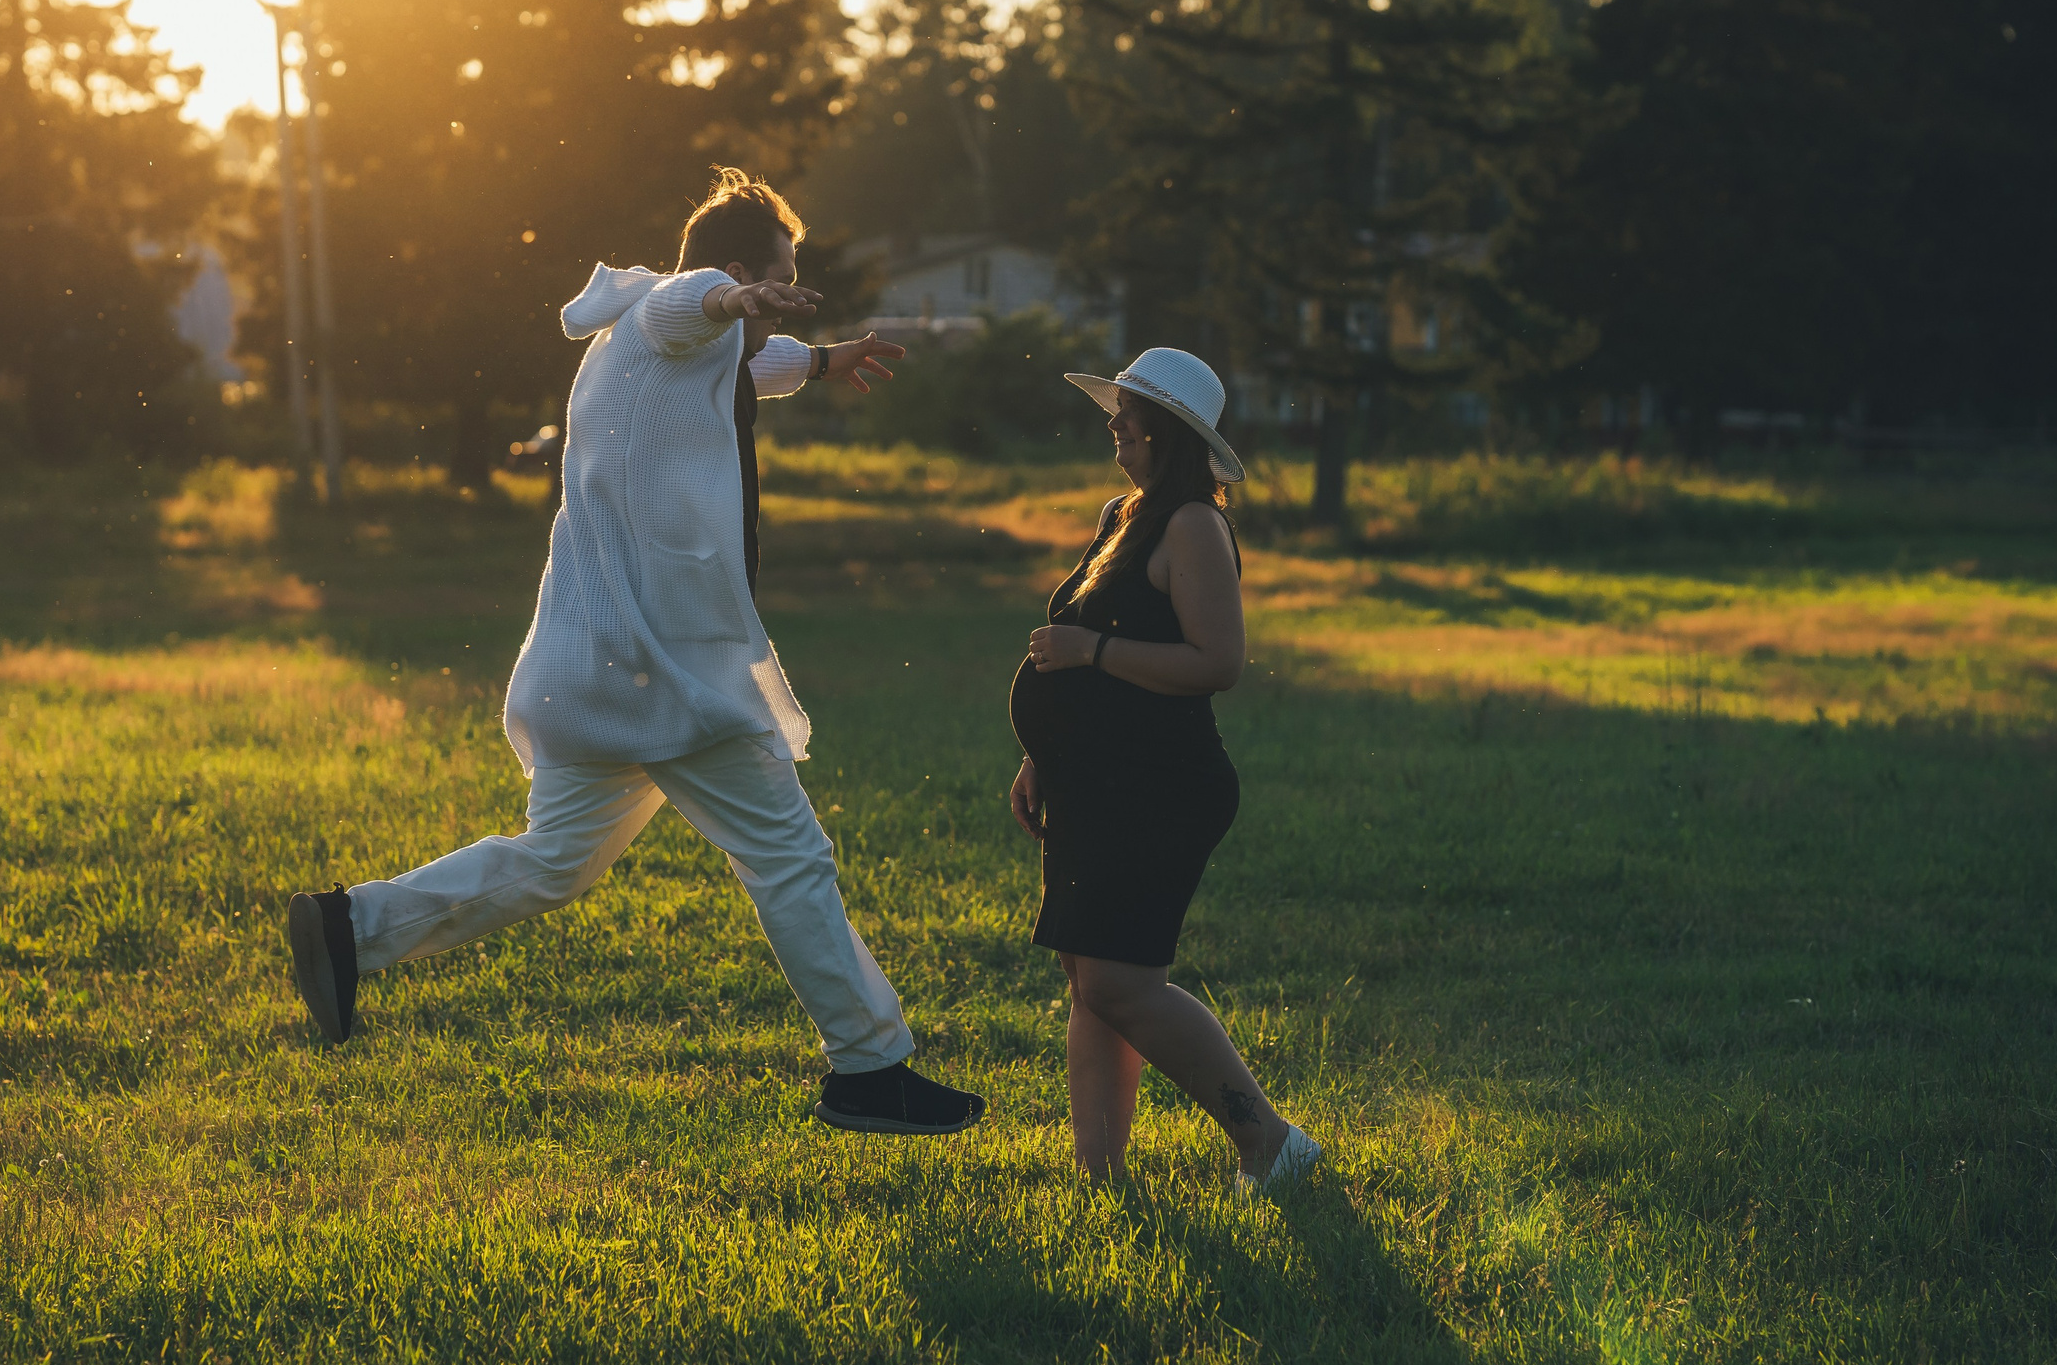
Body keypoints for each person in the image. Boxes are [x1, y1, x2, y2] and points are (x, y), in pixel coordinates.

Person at [286, 168, 985, 1137]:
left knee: (554, 864)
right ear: (740, 271)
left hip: (593, 673)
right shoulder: (666, 311)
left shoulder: (651, 354)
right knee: (789, 858)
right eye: (779, 275)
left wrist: (817, 359)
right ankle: (870, 1069)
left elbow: (741, 365)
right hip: (665, 681)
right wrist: (732, 295)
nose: (779, 293)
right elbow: (690, 304)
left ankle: (349, 928)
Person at [1008, 348, 1322, 1190]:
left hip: (1160, 786)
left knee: (1120, 979)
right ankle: (1100, 1180)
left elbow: (1216, 660)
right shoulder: (1123, 514)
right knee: (1090, 978)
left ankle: (1270, 1140)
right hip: (1092, 783)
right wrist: (1042, 753)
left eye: (1128, 412)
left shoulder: (1192, 524)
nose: (1113, 423)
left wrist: (1093, 650)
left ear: (1168, 430)